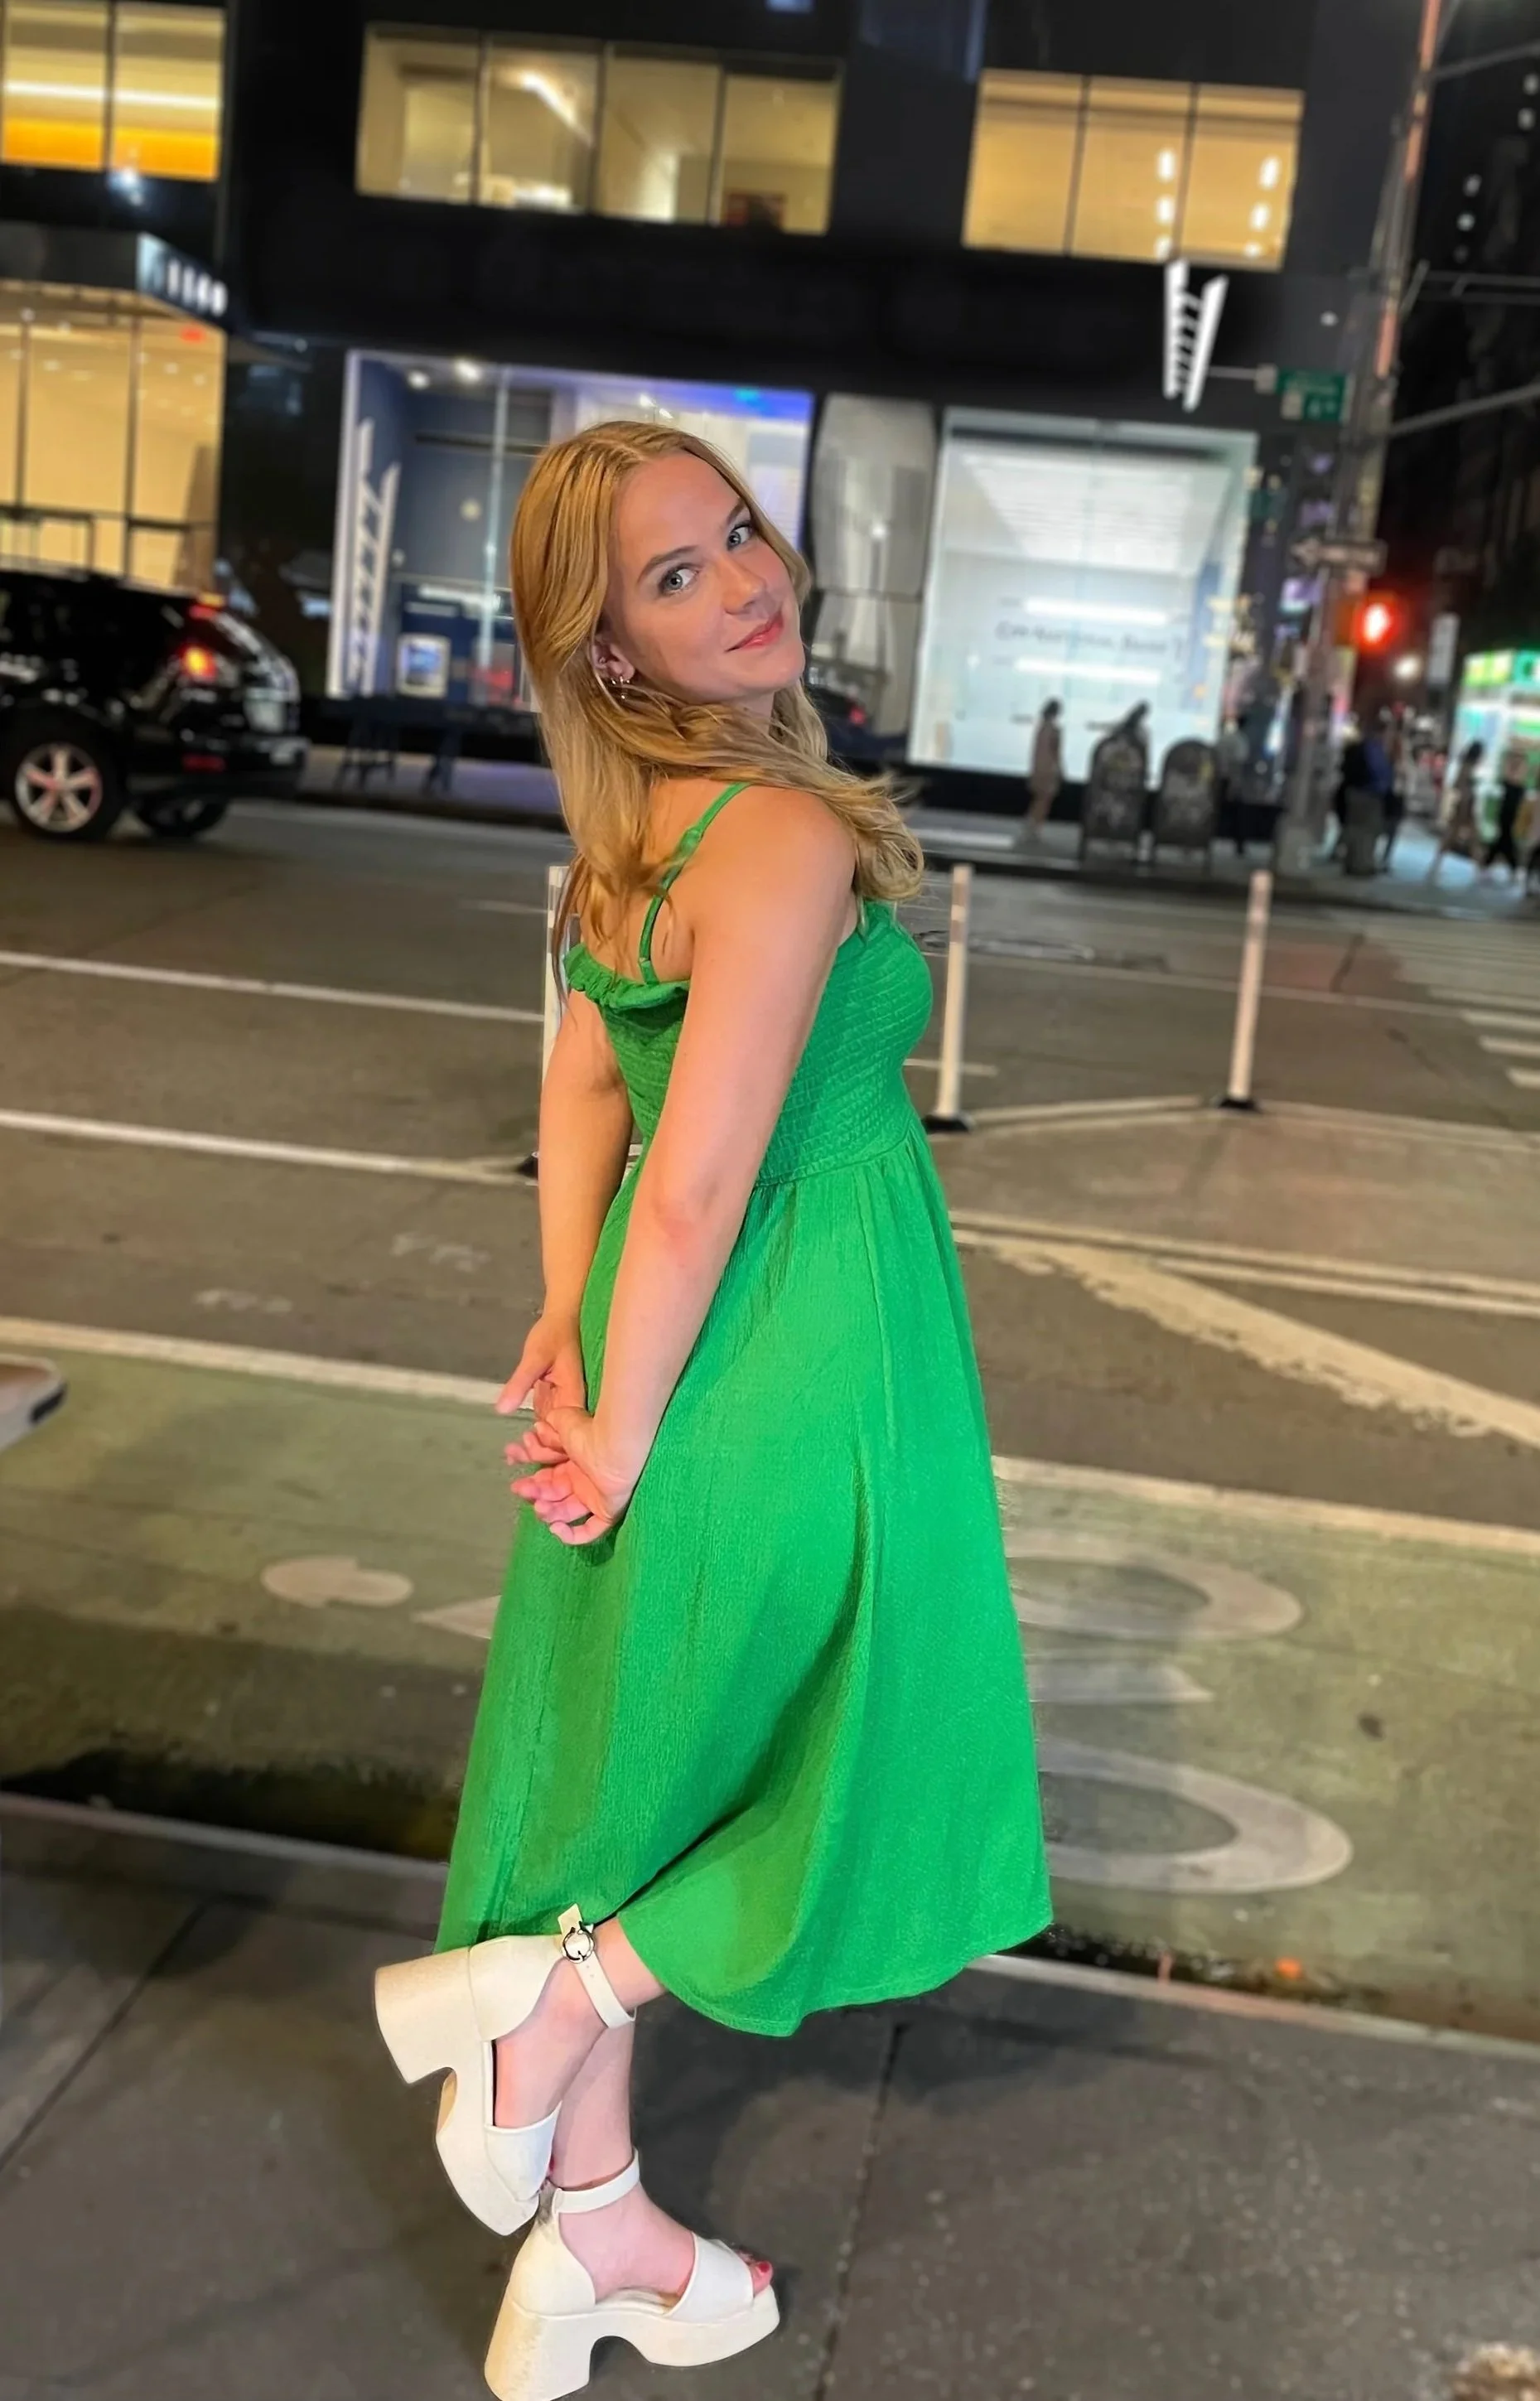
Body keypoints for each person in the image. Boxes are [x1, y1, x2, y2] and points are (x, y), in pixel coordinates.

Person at [374, 421, 1052, 2401]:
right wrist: (617, 1406)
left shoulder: (636, 833)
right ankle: (544, 2008)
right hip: (798, 1346)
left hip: (670, 1348)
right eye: (675, 576)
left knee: (633, 1783)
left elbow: (584, 1100)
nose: (742, 579)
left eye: (735, 533)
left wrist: (576, 1339)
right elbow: (698, 1171)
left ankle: (596, 2249)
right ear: (609, 652)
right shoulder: (775, 833)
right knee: (882, 1745)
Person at [1427, 738, 1484, 882]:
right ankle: (1478, 868)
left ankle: (1438, 863)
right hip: (1466, 805)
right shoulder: (1467, 767)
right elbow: (1460, 785)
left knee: (1454, 834)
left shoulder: (1465, 766)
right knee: (1469, 836)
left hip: (1464, 804)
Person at [1017, 695, 1062, 843]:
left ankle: (1031, 823)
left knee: (1039, 798)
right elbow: (1056, 753)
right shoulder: (1055, 730)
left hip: (1038, 767)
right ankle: (1036, 826)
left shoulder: (1041, 728)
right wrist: (1061, 771)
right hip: (1049, 769)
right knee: (1045, 799)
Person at [1483, 737, 1528, 878]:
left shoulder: (1516, 784)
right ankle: (1506, 864)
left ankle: (1491, 862)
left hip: (1508, 812)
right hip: (1507, 812)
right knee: (1505, 838)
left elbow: (1511, 775)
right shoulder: (1513, 783)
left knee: (1504, 838)